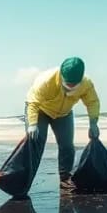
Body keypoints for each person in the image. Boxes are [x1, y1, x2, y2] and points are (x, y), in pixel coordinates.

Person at [25, 56, 101, 191]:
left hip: (63, 114)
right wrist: (32, 124)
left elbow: (92, 102)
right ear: (61, 76)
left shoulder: (86, 84)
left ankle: (65, 179)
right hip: (40, 111)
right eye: (67, 84)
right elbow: (33, 103)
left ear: (80, 80)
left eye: (73, 86)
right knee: (36, 142)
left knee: (67, 146)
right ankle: (23, 180)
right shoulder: (46, 80)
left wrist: (93, 122)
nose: (69, 88)